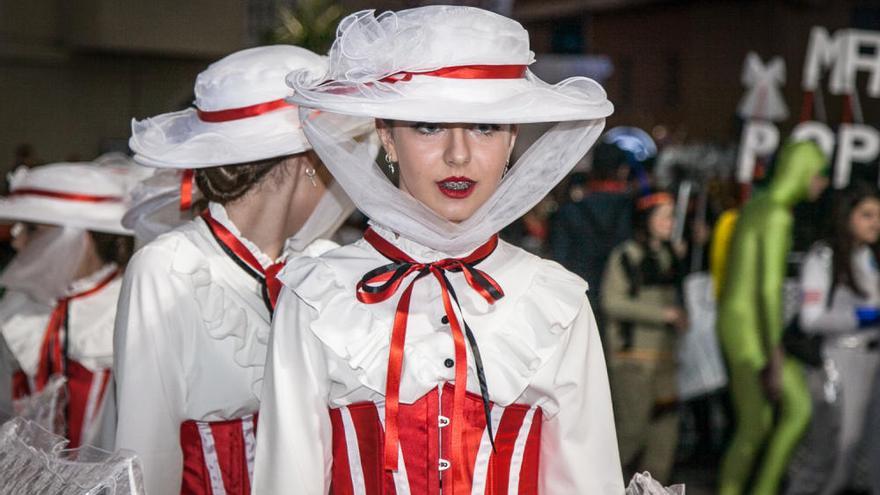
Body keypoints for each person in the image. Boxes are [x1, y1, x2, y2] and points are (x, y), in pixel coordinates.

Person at [253, 6, 623, 493]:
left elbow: (586, 483)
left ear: (512, 139)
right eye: (429, 126)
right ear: (386, 136)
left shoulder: (555, 300)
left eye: (485, 128)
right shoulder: (317, 295)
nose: (459, 155)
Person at [112, 45, 370, 495]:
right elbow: (144, 456)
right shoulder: (169, 269)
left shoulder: (320, 265)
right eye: (332, 155)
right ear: (305, 165)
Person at [0, 159, 143, 448]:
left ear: (80, 239)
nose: (17, 243)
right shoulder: (19, 300)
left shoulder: (129, 303)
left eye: (32, 229)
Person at [716, 140, 829, 495]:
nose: (821, 183)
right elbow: (767, 289)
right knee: (788, 413)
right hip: (750, 330)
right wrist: (775, 352)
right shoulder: (778, 214)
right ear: (803, 171)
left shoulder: (757, 206)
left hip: (738, 324)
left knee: (757, 424)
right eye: (819, 174)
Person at [794, 183, 880, 494]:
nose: (875, 223)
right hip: (838, 360)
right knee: (828, 458)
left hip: (872, 364)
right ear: (846, 217)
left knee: (864, 458)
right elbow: (810, 318)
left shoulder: (868, 255)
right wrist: (863, 318)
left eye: (878, 215)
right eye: (866, 215)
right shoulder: (824, 257)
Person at [601, 190, 687, 483]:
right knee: (631, 432)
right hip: (633, 360)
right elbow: (612, 302)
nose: (671, 222)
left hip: (664, 361)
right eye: (664, 216)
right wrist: (663, 314)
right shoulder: (626, 256)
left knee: (664, 435)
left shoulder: (668, 255)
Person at [551, 141, 632, 308]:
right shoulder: (631, 209)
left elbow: (560, 257)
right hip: (621, 295)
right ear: (622, 171)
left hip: (579, 294)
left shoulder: (570, 211)